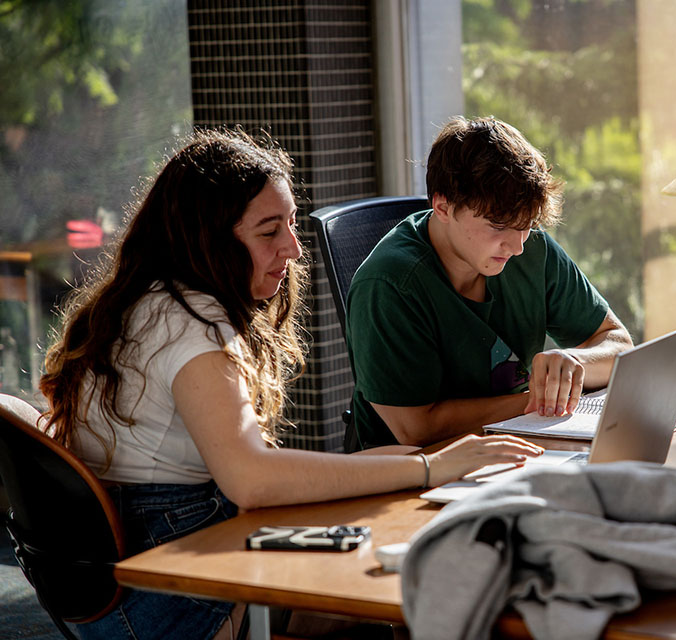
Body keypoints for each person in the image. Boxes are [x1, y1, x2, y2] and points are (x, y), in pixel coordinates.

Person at [39, 128, 542, 640]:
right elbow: (253, 481)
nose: (295, 248)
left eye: (293, 225)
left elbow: (257, 476)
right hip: (161, 600)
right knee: (397, 585)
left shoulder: (152, 303)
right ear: (208, 236)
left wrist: (424, 463)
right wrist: (429, 466)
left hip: (143, 566)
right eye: (268, 231)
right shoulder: (188, 327)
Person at [345, 116, 633, 452]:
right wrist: (541, 399)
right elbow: (416, 428)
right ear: (442, 207)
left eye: (526, 225)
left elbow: (619, 344)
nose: (517, 247)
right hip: (412, 473)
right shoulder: (388, 285)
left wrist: (575, 363)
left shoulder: (532, 251)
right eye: (498, 226)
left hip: (518, 444)